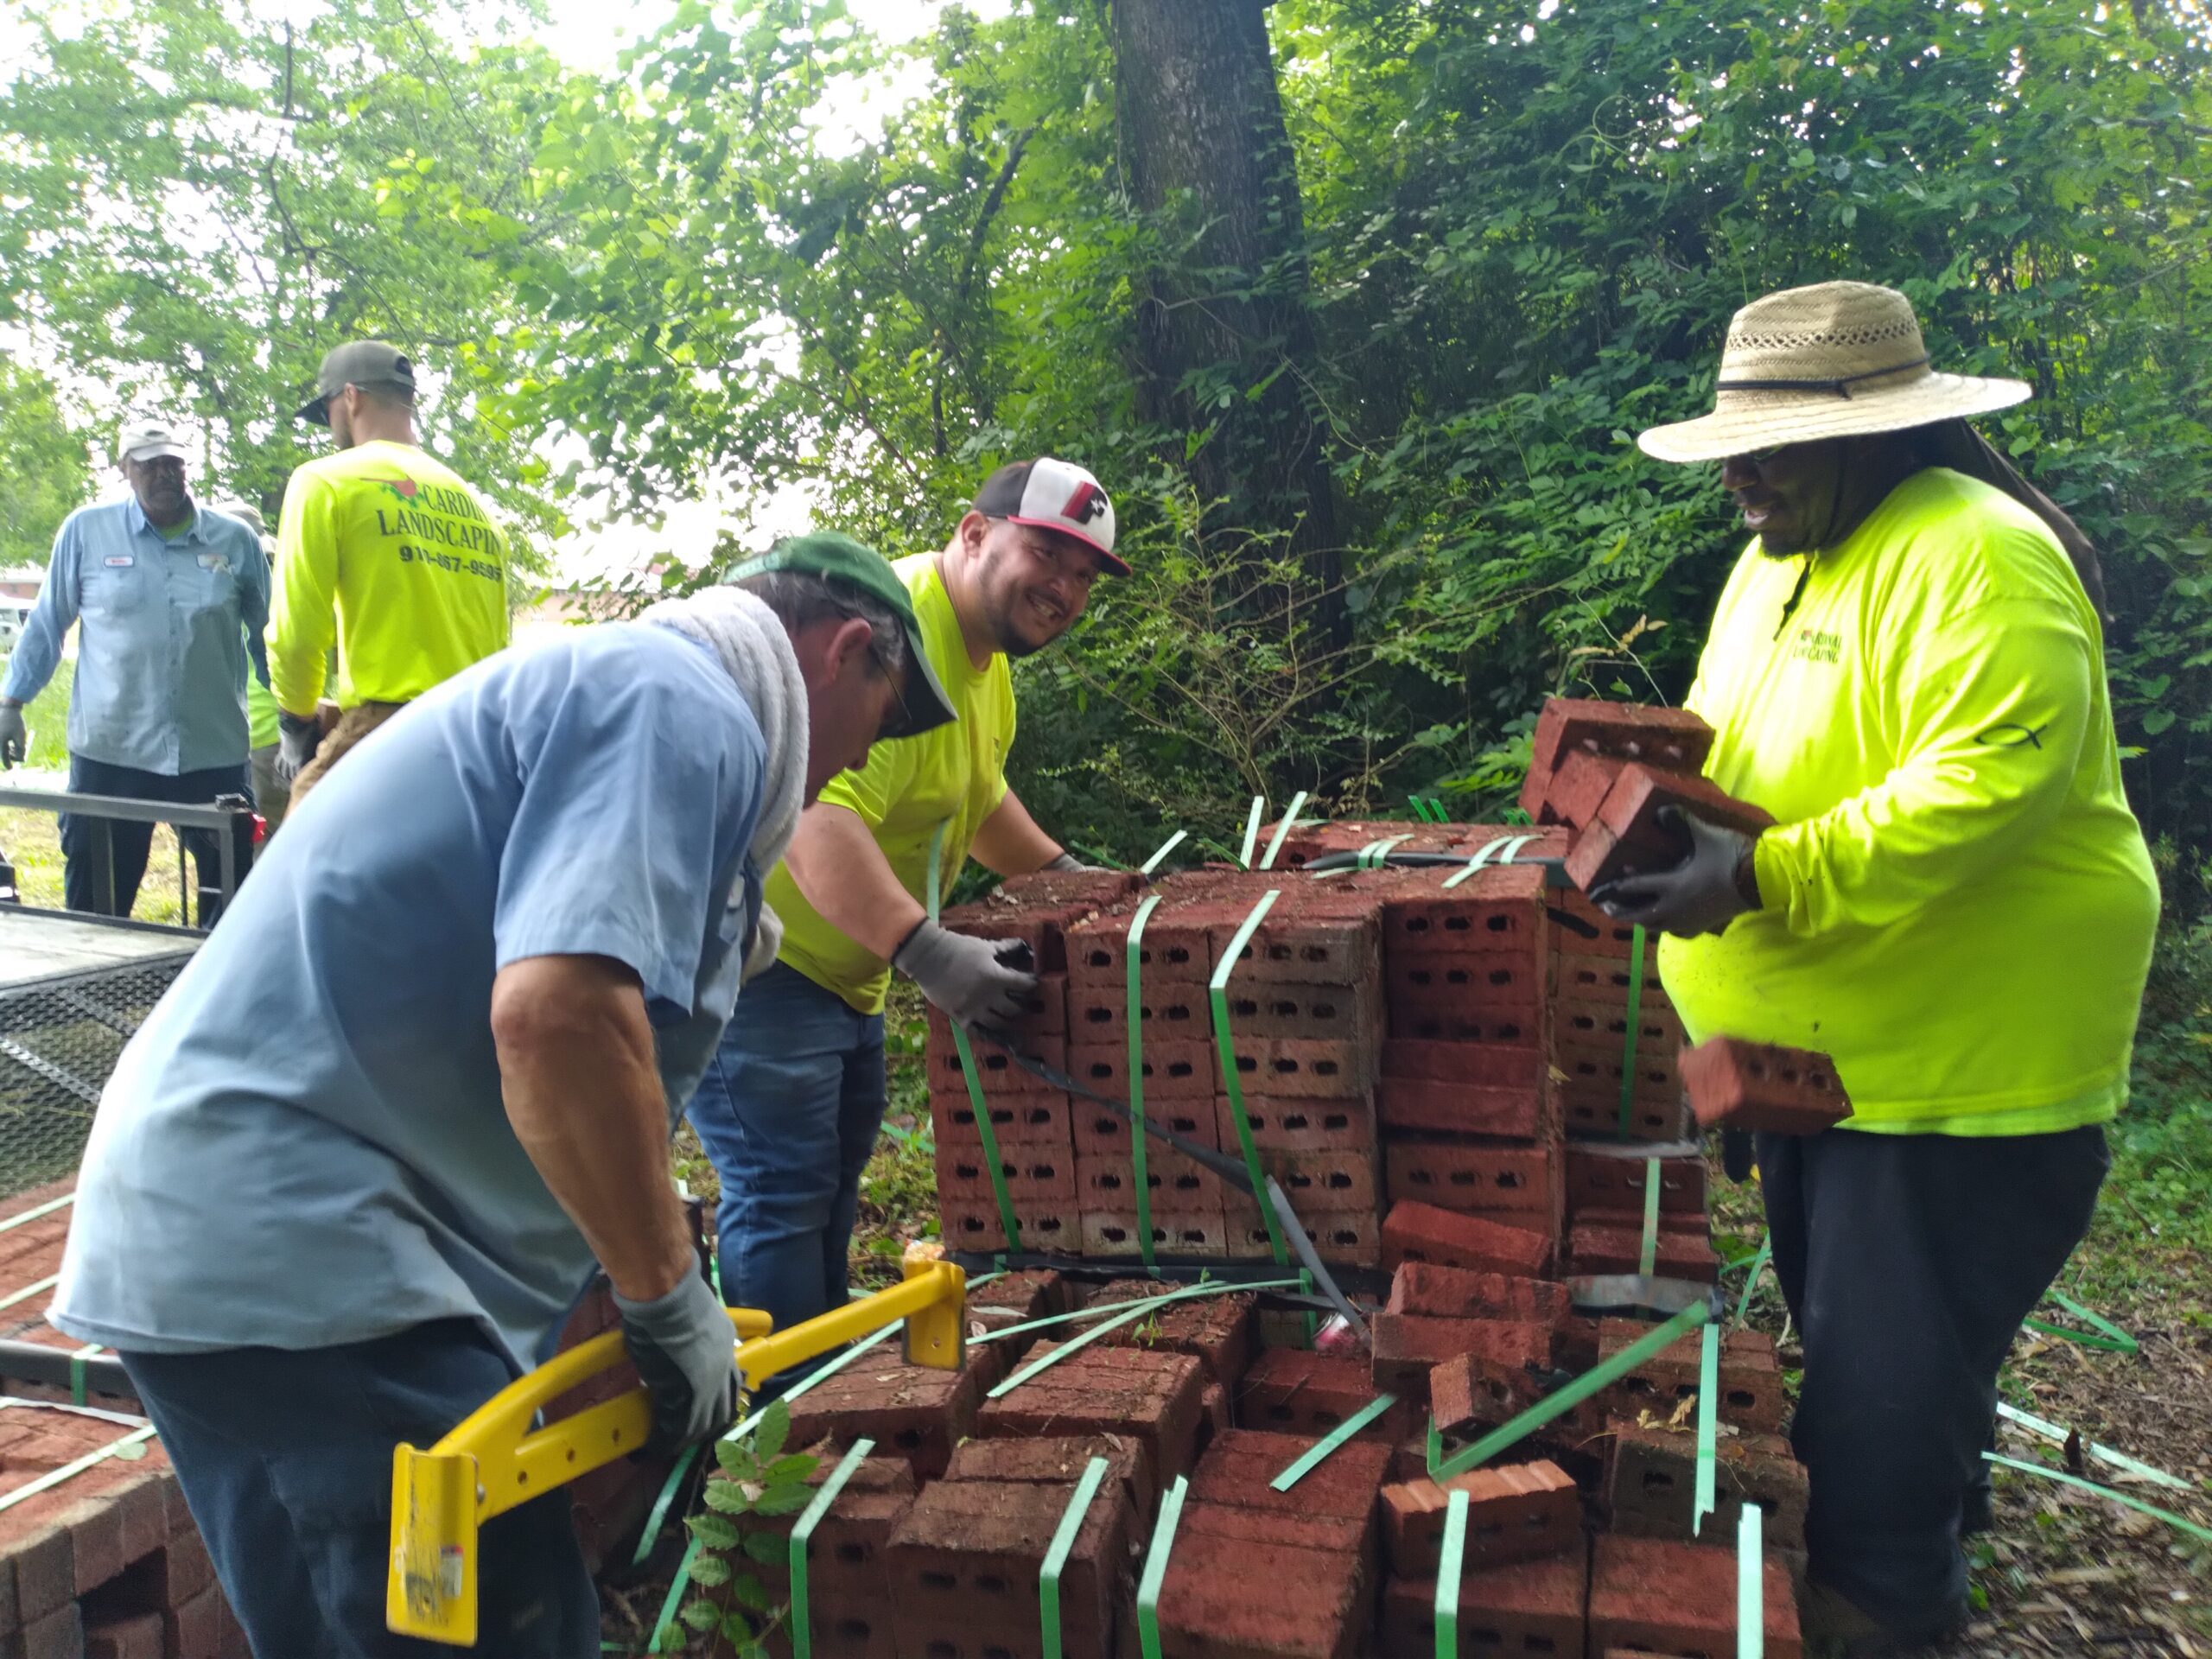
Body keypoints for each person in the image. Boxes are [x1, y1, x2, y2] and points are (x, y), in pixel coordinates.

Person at [49, 531, 955, 1658]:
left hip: (297, 1230)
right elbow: (559, 1018)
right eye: (883, 722)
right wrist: (672, 1300)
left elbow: (553, 1071)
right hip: (292, 1242)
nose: (853, 770)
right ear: (849, 651)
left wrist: (612, 1306)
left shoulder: (647, 703)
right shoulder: (677, 698)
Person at [1605, 281, 2159, 1656]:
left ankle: (1887, 1609)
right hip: (1833, 1066)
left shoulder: (1981, 550)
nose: (1739, 473)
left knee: (1877, 1392)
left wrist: (1763, 876)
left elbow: (1989, 783)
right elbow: (1737, 753)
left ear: (1875, 431)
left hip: (1953, 1081)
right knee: (1872, 1354)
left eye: (1771, 445)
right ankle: (1924, 1534)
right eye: (1732, 443)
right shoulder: (1777, 558)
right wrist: (1652, 823)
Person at [687, 458, 1127, 1343]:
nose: (1065, 589)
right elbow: (816, 816)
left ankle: (824, 1379)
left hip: (850, 978)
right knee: (782, 1190)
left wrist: (1069, 878)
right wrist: (925, 950)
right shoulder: (898, 630)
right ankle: (777, 1418)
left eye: (1084, 577)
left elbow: (977, 793)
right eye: (1047, 553)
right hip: (772, 967)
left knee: (833, 1182)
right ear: (973, 534)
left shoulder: (985, 660)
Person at [0, 419, 267, 923]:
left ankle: (215, 992)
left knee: (233, 895)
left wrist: (294, 721)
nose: (165, 474)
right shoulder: (86, 530)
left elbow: (268, 633)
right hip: (112, 752)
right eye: (149, 465)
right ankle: (87, 996)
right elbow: (47, 622)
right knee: (97, 900)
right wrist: (11, 703)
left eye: (174, 463)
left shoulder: (234, 540)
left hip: (212, 750)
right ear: (124, 469)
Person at [269, 340, 511, 801]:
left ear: (351, 397)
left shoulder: (324, 482)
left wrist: (295, 718)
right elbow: (498, 641)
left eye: (327, 411)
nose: (329, 427)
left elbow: (296, 636)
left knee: (296, 865)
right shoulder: (476, 505)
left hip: (386, 732)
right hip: (478, 740)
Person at [211, 499, 292, 833]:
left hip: (266, 738)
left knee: (260, 843)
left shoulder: (259, 594)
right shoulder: (278, 590)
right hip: (244, 739)